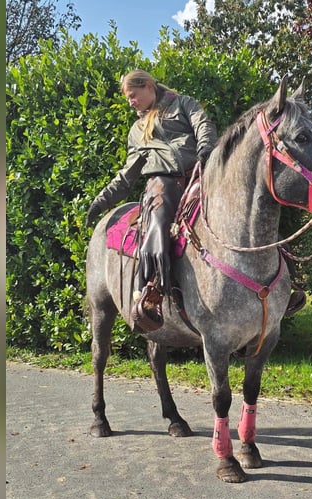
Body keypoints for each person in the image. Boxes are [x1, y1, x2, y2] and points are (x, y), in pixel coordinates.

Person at [85, 70, 217, 332]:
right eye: (128, 99)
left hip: (199, 173)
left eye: (133, 96)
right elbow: (127, 175)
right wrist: (101, 202)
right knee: (157, 223)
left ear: (148, 86)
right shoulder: (137, 131)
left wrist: (206, 147)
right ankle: (150, 291)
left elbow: (203, 123)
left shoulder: (182, 104)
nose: (131, 102)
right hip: (163, 183)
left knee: (241, 204)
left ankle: (279, 282)